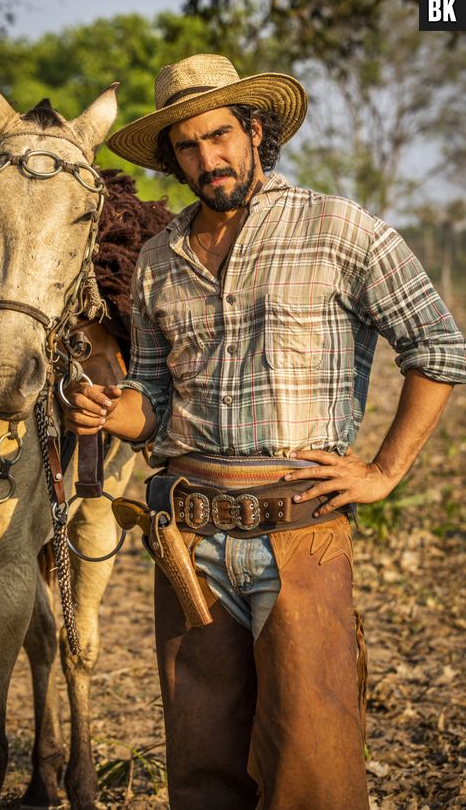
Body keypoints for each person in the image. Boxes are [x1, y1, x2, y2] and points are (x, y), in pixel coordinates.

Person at [62, 54, 465, 809]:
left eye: (219, 136)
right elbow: (151, 397)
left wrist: (383, 471)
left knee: (312, 765)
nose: (207, 158)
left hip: (301, 530)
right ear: (173, 157)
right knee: (203, 763)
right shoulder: (157, 260)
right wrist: (106, 409)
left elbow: (439, 347)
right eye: (187, 145)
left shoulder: (340, 228)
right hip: (189, 538)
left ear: (255, 130)